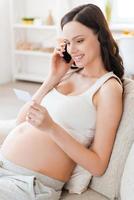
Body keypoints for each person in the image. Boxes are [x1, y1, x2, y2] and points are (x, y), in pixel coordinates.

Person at [0, 3, 124, 200]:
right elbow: (20, 121)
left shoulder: (108, 88)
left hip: (28, 183)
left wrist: (51, 128)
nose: (72, 49)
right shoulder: (67, 76)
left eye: (80, 40)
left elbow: (98, 165)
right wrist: (52, 77)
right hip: (4, 167)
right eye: (67, 42)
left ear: (101, 37)